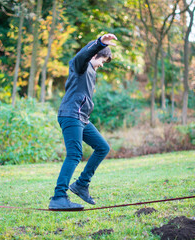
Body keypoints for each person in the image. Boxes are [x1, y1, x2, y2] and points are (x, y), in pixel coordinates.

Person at [49, 33, 118, 210]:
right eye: (103, 60)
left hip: (82, 118)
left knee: (103, 147)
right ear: (95, 54)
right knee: (74, 154)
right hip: (71, 114)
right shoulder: (80, 65)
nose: (103, 64)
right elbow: (81, 56)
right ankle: (58, 197)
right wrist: (99, 43)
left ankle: (81, 184)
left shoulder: (91, 72)